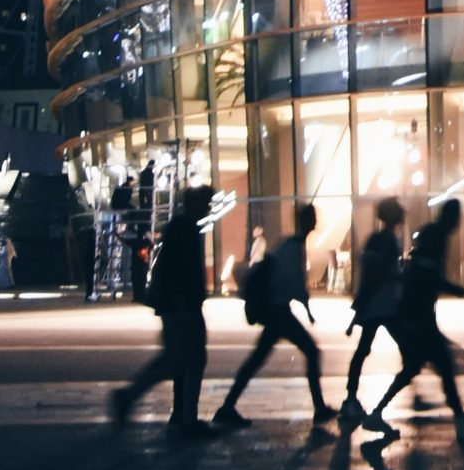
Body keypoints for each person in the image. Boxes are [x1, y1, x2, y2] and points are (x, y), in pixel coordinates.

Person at [360, 201, 464, 444]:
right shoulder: (436, 236)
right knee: (440, 363)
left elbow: (422, 271)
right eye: (456, 216)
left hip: (416, 313)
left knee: (415, 367)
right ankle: (459, 417)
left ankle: (377, 413)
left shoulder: (433, 233)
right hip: (419, 315)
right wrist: (454, 288)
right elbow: (426, 274)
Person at [214, 201, 336, 430]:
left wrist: (305, 307)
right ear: (307, 221)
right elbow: (294, 283)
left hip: (275, 311)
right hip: (278, 311)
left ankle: (227, 407)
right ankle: (319, 409)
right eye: (313, 218)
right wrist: (307, 309)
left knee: (257, 359)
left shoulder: (288, 244)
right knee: (310, 351)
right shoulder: (295, 247)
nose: (316, 221)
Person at [109, 185, 214, 439]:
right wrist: (183, 305)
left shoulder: (181, 227)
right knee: (189, 359)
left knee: (176, 359)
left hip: (175, 304)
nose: (208, 208)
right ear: (195, 204)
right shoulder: (185, 229)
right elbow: (180, 272)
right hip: (181, 305)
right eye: (205, 203)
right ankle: (182, 415)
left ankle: (180, 413)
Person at [339, 197, 407, 428]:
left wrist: (359, 308)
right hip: (385, 306)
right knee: (408, 351)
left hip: (378, 305)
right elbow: (379, 275)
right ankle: (374, 408)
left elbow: (370, 275)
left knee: (362, 350)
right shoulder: (387, 241)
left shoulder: (377, 239)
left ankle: (351, 399)